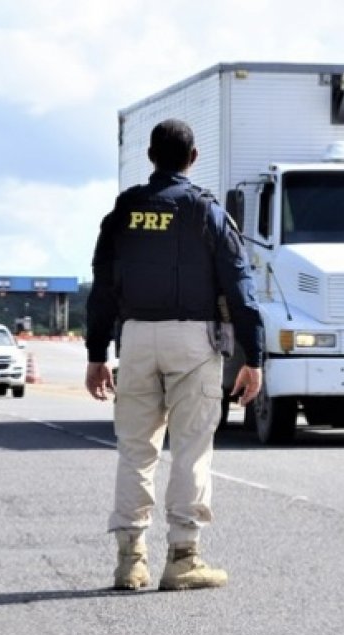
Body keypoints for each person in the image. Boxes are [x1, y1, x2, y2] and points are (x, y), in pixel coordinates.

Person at [85, 118, 264, 592]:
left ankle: (130, 561)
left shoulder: (123, 211)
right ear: (193, 158)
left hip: (135, 338)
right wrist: (254, 357)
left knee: (135, 449)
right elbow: (240, 288)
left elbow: (102, 288)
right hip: (193, 341)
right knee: (190, 449)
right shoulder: (206, 211)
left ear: (150, 157)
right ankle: (183, 558)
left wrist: (96, 353)